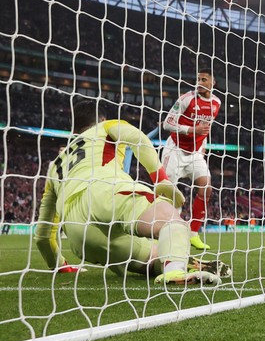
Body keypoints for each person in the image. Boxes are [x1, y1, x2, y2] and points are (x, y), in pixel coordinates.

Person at [35, 99, 229, 285]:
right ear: (101, 120)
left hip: (78, 233)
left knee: (153, 258)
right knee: (173, 222)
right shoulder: (106, 127)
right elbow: (137, 138)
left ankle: (181, 264)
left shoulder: (54, 166)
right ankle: (175, 271)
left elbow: (43, 235)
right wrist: (160, 178)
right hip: (103, 190)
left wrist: (59, 266)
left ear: (74, 131)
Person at [161, 68, 221, 250]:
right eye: (198, 79)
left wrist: (202, 148)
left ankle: (193, 232)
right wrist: (191, 130)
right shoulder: (186, 99)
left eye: (204, 79)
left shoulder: (217, 103)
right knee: (167, 194)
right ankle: (165, 232)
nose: (200, 82)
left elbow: (206, 129)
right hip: (175, 151)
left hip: (195, 154)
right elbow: (167, 123)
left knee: (206, 187)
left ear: (213, 83)